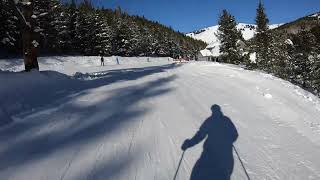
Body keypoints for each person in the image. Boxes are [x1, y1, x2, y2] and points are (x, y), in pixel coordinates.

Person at [181, 105, 238, 180]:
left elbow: (200, 135)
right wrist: (228, 140)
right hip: (225, 156)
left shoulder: (210, 120)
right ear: (220, 110)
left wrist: (189, 143)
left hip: (210, 154)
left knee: (197, 173)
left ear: (212, 111)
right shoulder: (226, 120)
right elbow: (235, 134)